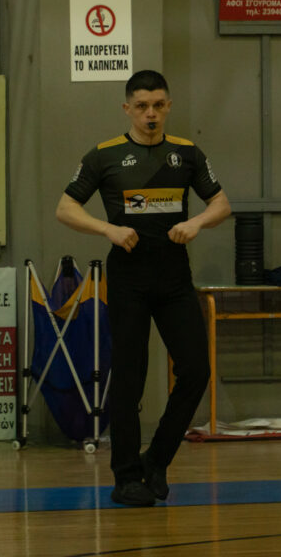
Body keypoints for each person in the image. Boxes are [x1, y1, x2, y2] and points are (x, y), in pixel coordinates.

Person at [55, 70, 231, 506]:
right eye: (141, 106)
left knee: (196, 369)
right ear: (127, 109)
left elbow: (221, 204)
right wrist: (108, 230)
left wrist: (196, 223)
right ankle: (126, 478)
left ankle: (157, 460)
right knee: (129, 378)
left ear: (168, 106)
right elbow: (65, 207)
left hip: (174, 276)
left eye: (157, 106)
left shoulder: (186, 153)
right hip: (128, 277)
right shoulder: (105, 155)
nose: (150, 114)